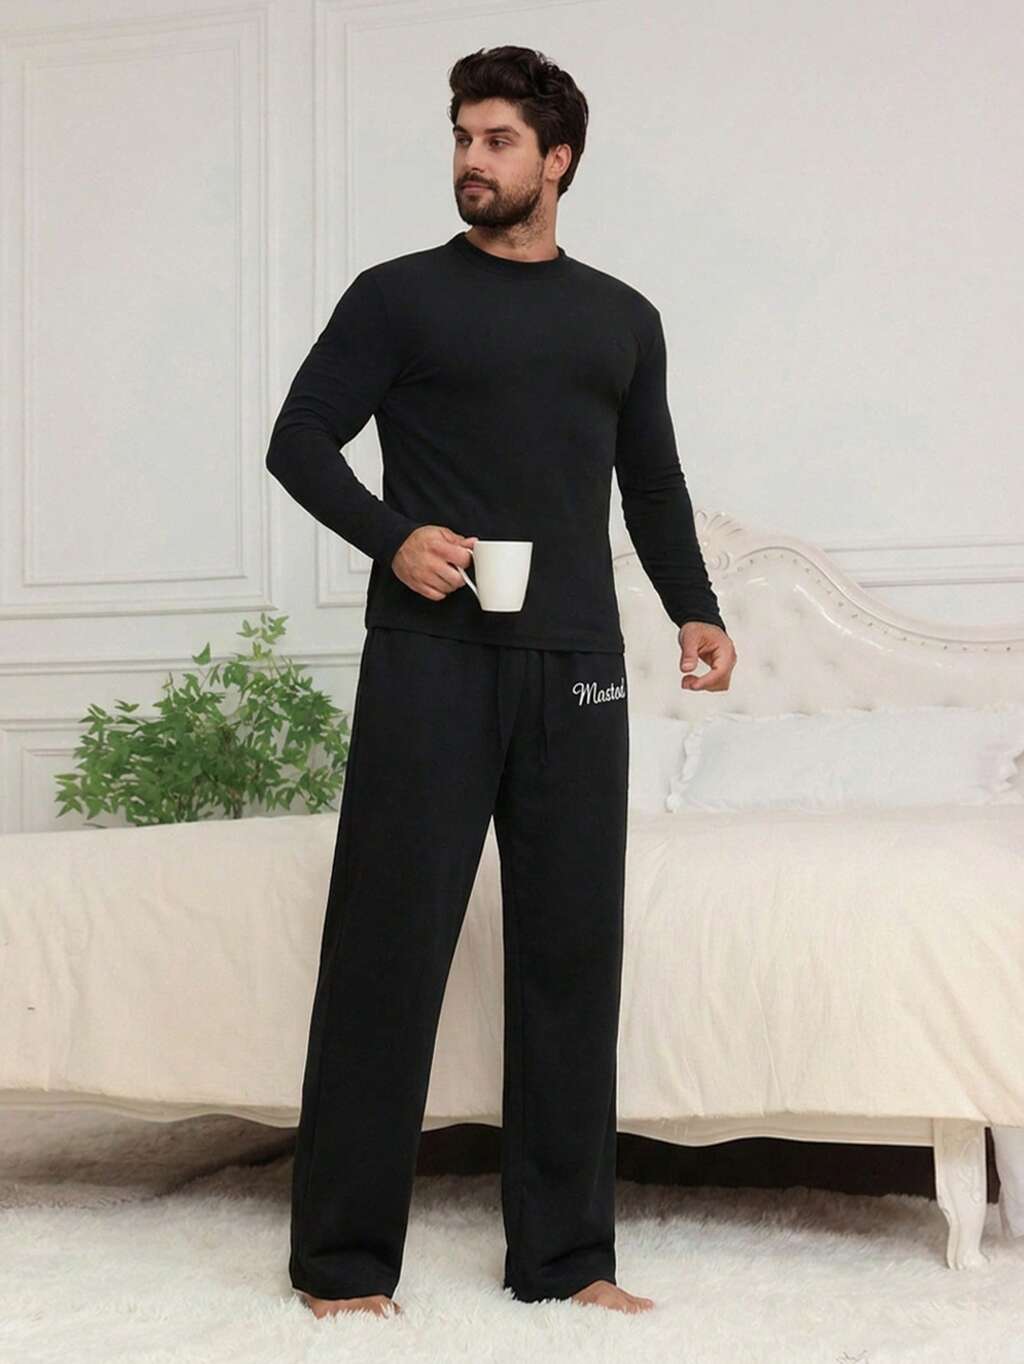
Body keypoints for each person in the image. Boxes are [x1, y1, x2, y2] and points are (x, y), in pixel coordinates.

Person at [265, 44, 737, 1321]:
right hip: (431, 657)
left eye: (498, 141)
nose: (471, 160)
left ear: (557, 160)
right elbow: (297, 438)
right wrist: (391, 537)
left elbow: (651, 482)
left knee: (572, 953)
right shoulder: (397, 297)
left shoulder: (621, 317)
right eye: (462, 137)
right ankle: (342, 1264)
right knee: (387, 945)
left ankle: (567, 1256)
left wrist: (694, 606)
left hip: (578, 666)